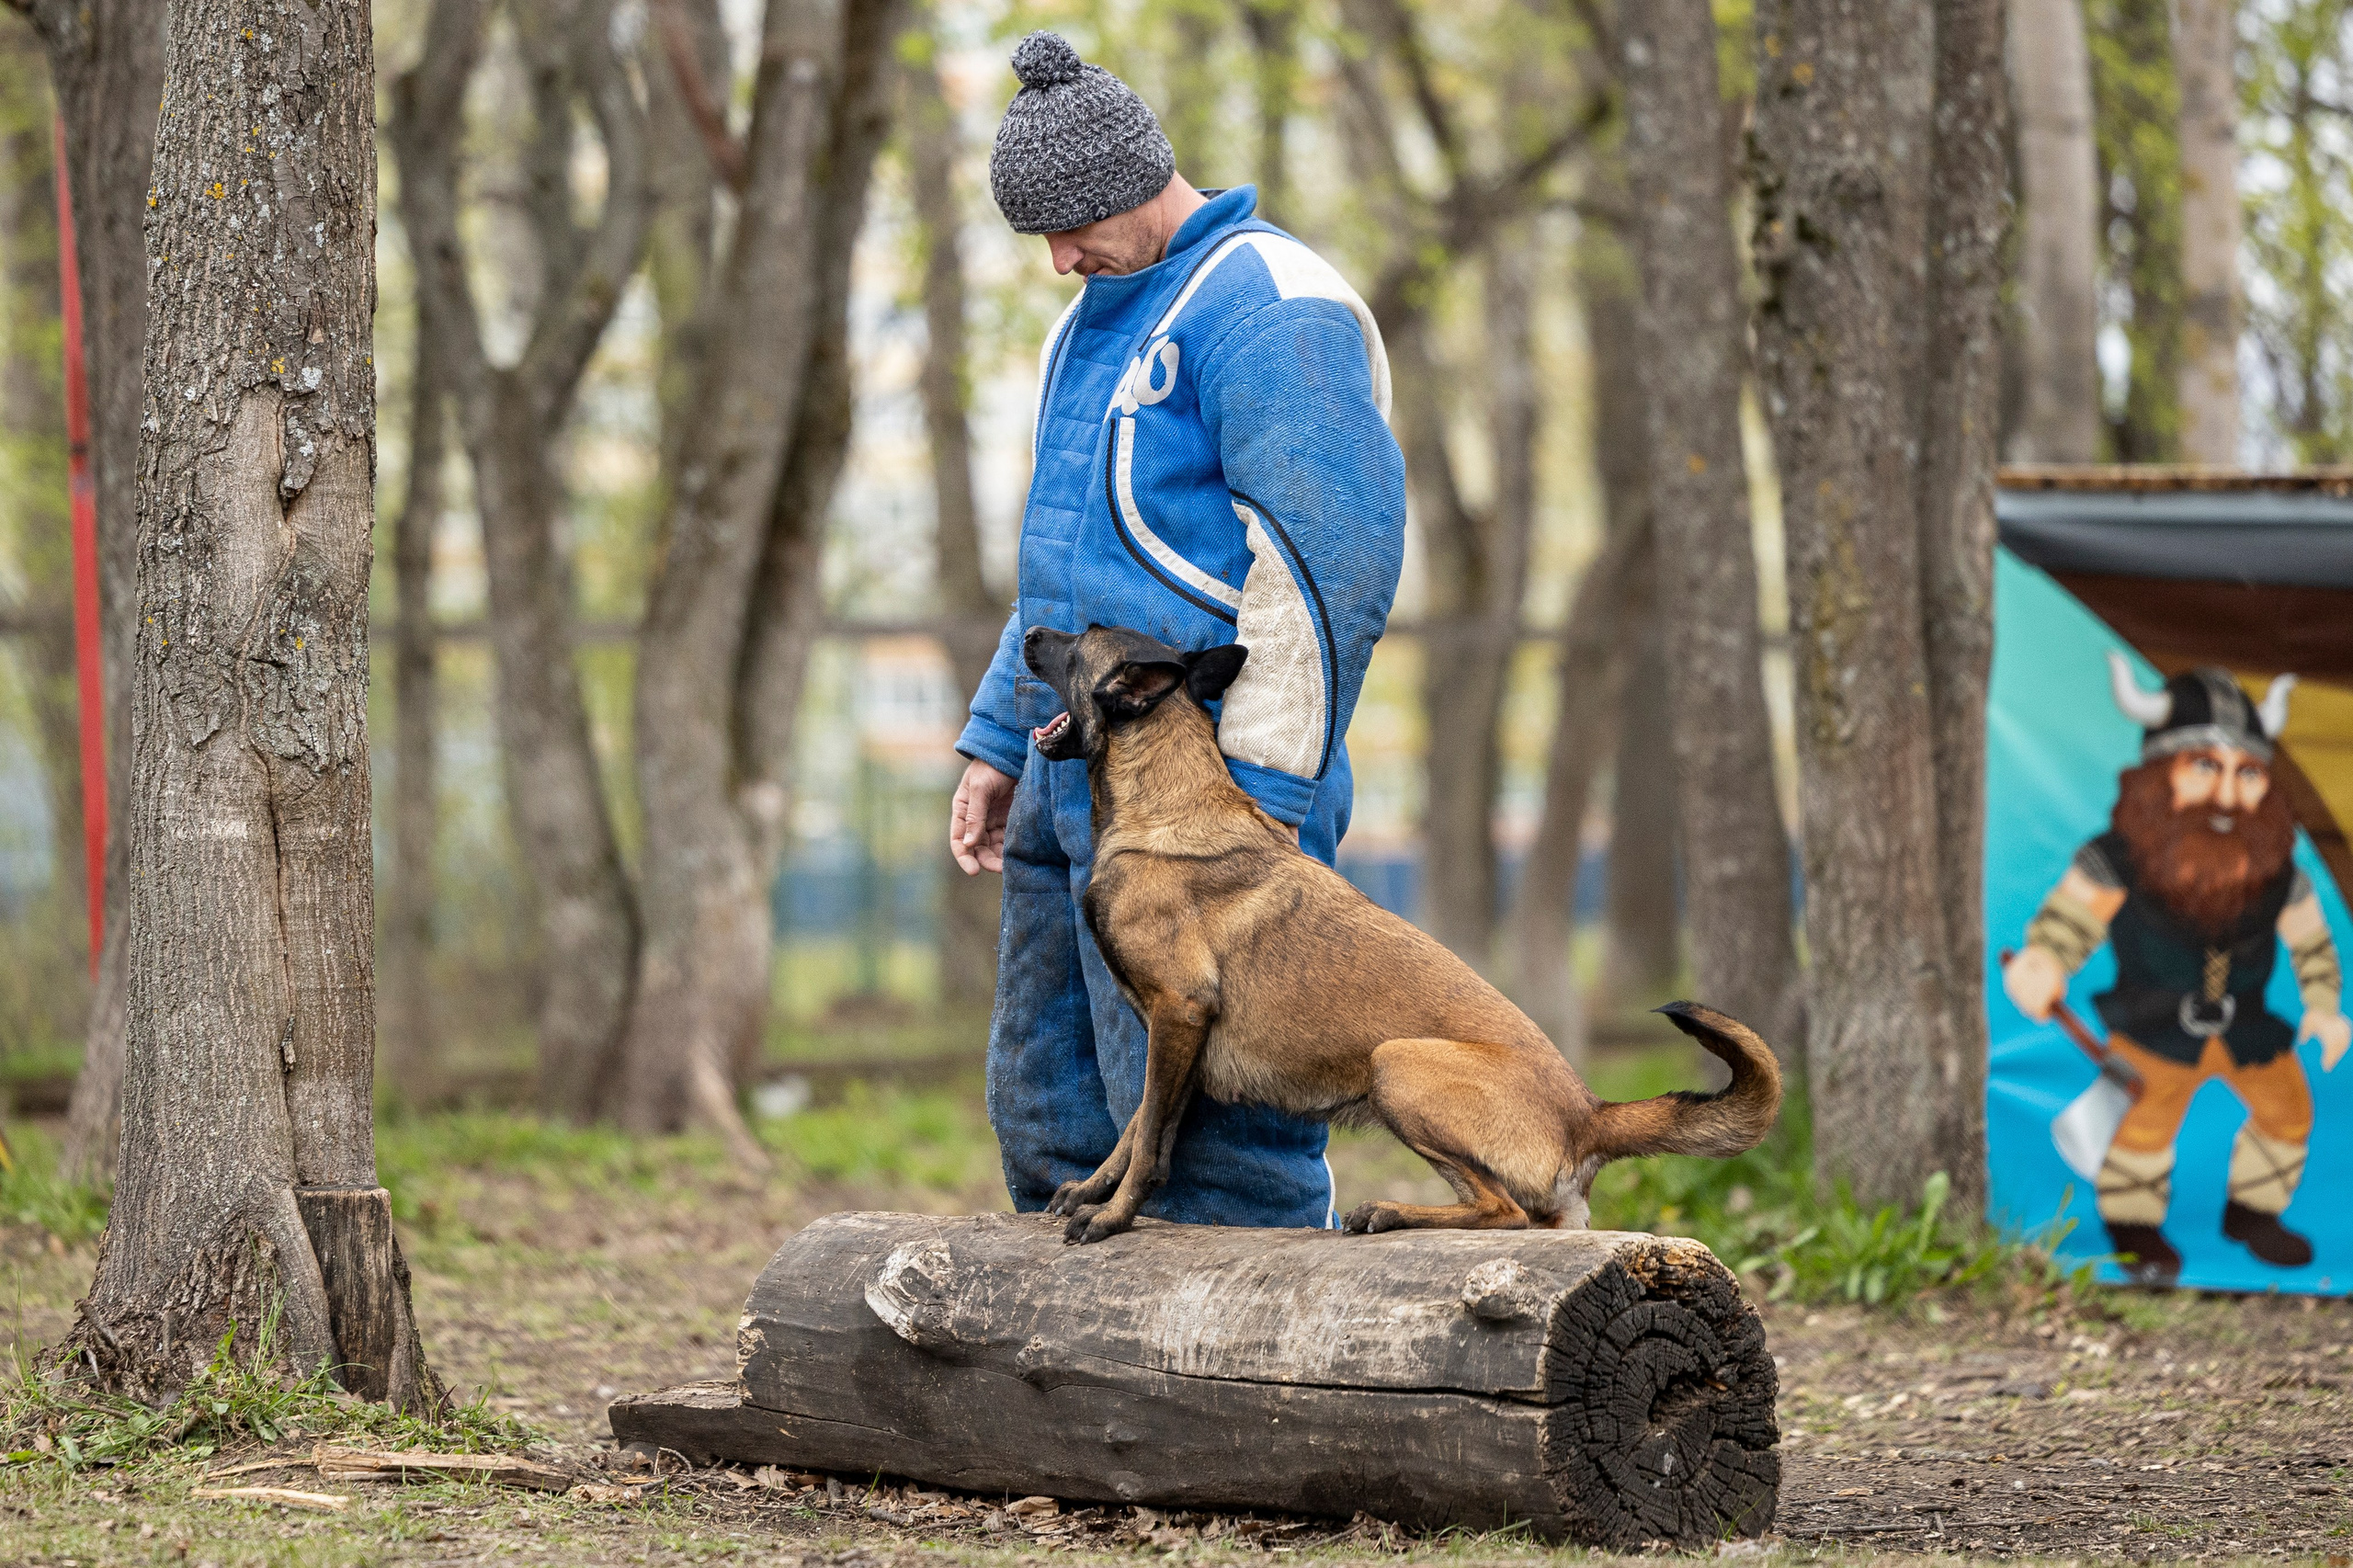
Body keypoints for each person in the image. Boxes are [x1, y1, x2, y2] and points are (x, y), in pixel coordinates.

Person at [947, 31, 1406, 1225]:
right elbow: (1061, 560)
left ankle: (1252, 1389)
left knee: (1217, 1146)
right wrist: (1003, 743)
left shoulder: (1273, 306)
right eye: (1040, 237)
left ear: (1138, 182)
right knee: (1050, 1117)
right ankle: (1064, 1385)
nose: (1058, 262)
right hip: (1080, 783)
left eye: (1074, 227)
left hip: (1211, 810)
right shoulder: (1087, 322)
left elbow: (1324, 575)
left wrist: (1253, 807)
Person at [2004, 656, 2347, 1284]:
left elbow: (2313, 946)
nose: (2227, 794)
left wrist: (2323, 1007)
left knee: (2289, 1113)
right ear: (2163, 773)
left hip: (2248, 1030)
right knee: (2141, 1130)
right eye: (2205, 767)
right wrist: (2044, 962)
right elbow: (2069, 924)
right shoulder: (2118, 859)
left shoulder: (2277, 870)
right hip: (2153, 1031)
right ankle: (2135, 1234)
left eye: (2247, 773)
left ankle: (2253, 1216)